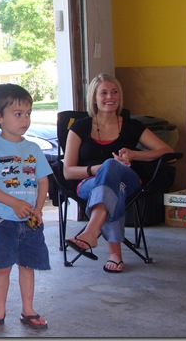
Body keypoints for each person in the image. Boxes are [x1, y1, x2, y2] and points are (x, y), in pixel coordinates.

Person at [63, 73, 174, 273]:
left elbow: (168, 152)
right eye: (103, 92)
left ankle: (91, 231)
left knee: (113, 167)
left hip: (128, 178)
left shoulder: (132, 126)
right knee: (115, 187)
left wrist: (134, 154)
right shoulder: (80, 127)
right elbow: (68, 172)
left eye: (114, 92)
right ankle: (114, 254)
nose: (110, 97)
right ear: (94, 98)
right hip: (89, 182)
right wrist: (97, 169)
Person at [0, 84, 51, 332]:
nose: (25, 119)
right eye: (18, 114)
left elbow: (43, 181)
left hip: (30, 220)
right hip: (3, 220)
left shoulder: (33, 149)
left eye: (28, 113)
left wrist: (38, 209)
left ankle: (28, 309)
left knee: (28, 265)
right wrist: (15, 203)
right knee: (2, 266)